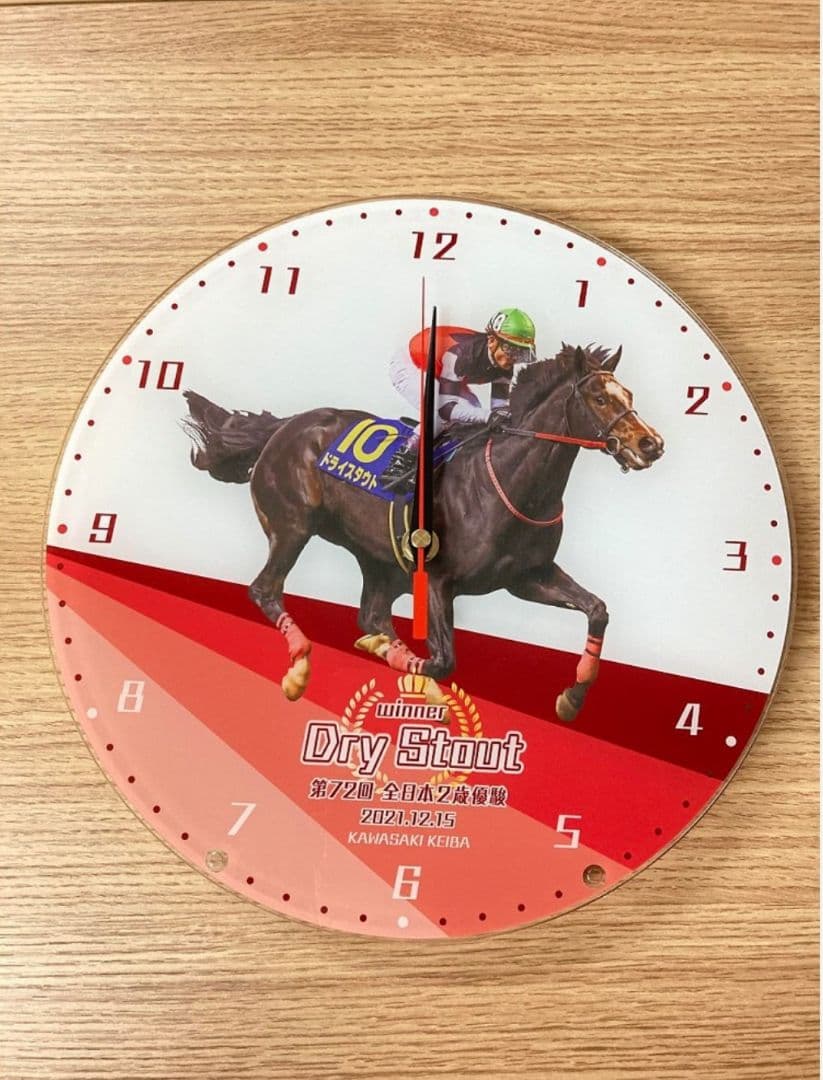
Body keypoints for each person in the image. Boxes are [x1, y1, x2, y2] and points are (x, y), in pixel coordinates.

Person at [384, 308, 538, 483]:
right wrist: (489, 416)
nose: (513, 358)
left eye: (520, 352)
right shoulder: (463, 354)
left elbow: (499, 409)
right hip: (411, 364)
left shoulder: (505, 364)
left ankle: (439, 458)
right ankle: (401, 460)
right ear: (492, 340)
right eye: (510, 350)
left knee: (473, 411)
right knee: (441, 413)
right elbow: (446, 410)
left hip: (441, 370)